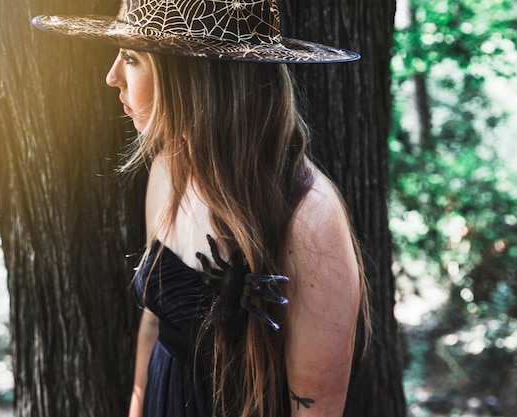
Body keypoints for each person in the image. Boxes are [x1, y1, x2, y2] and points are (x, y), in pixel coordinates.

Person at [33, 1, 371, 416]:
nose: (111, 76)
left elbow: (315, 409)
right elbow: (155, 322)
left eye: (133, 58)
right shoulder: (167, 170)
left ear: (193, 79)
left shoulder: (310, 220)